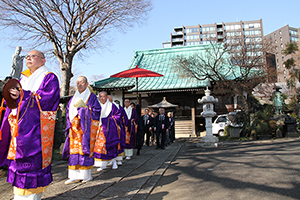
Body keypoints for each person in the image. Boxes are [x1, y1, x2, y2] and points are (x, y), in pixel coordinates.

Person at [0, 50, 60, 200]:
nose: (28, 58)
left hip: (35, 129)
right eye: (27, 56)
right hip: (18, 127)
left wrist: (23, 95)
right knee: (16, 161)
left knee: (31, 162)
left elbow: (47, 99)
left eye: (33, 56)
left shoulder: (49, 77)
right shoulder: (24, 78)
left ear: (43, 61)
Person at [62, 76, 101, 184]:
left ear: (87, 83)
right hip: (74, 129)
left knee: (84, 150)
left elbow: (97, 111)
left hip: (85, 129)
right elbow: (68, 110)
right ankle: (73, 175)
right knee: (74, 151)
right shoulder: (73, 98)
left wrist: (84, 111)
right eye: (78, 82)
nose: (80, 84)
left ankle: (85, 175)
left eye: (82, 82)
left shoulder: (92, 97)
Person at [94, 91, 121, 171]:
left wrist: (109, 120)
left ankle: (114, 162)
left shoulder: (112, 106)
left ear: (107, 97)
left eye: (104, 96)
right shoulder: (97, 106)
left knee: (111, 145)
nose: (102, 98)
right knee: (100, 146)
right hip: (99, 128)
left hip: (110, 129)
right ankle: (102, 164)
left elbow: (118, 115)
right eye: (100, 97)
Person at [107, 96, 127, 166]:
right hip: (107, 128)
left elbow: (123, 116)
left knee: (118, 143)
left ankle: (119, 159)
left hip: (117, 127)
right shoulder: (104, 106)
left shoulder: (118, 107)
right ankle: (110, 159)